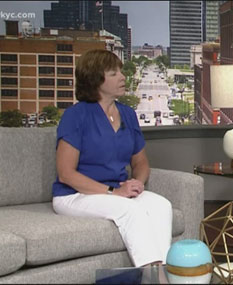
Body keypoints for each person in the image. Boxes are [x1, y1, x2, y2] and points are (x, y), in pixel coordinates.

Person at [52, 49, 172, 267]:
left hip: (116, 190)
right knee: (130, 210)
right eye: (113, 73)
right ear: (95, 79)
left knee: (161, 205)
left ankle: (161, 270)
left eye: (121, 71)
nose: (123, 77)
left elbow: (140, 162)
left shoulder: (128, 114)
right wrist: (114, 192)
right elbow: (66, 174)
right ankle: (155, 278)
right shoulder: (75, 116)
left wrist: (138, 182)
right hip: (76, 195)